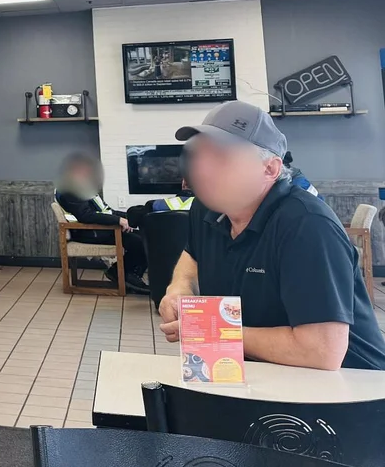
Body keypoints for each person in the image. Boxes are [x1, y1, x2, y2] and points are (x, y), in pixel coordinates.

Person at [159, 101, 385, 370]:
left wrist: (215, 330)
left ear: (270, 169)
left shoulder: (306, 226)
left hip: (349, 384)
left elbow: (322, 353)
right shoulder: (206, 209)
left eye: (221, 158)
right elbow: (193, 256)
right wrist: (179, 289)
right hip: (261, 373)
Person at [54, 151, 149, 293]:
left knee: (146, 237)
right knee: (139, 242)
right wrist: (118, 220)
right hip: (88, 232)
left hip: (99, 229)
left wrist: (130, 218)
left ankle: (122, 273)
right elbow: (86, 216)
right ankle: (127, 275)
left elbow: (106, 211)